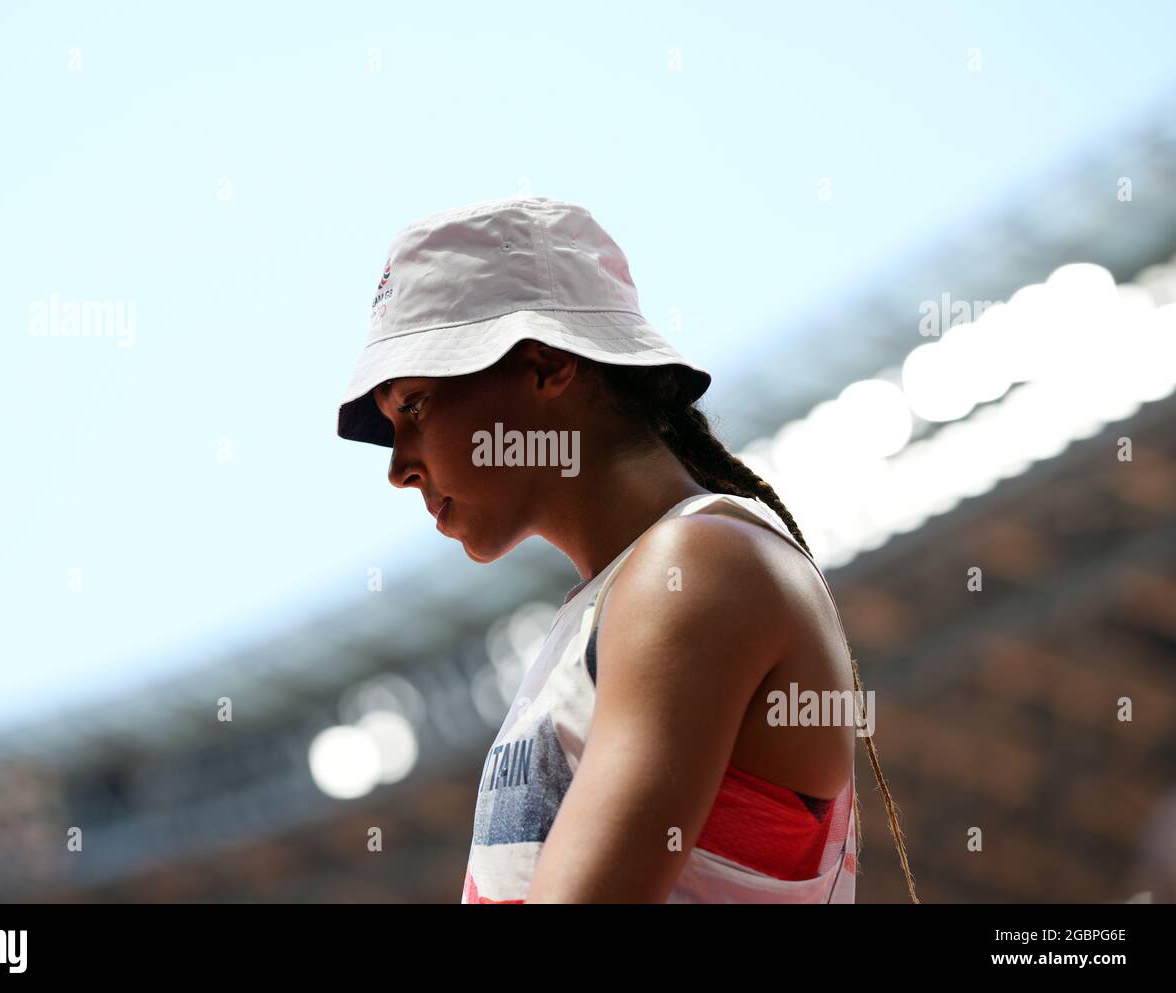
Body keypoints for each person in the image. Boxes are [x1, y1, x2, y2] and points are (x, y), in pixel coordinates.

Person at [337, 196, 918, 903]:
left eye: (415, 406)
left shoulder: (700, 564)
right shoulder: (614, 605)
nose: (398, 466)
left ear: (546, 365)